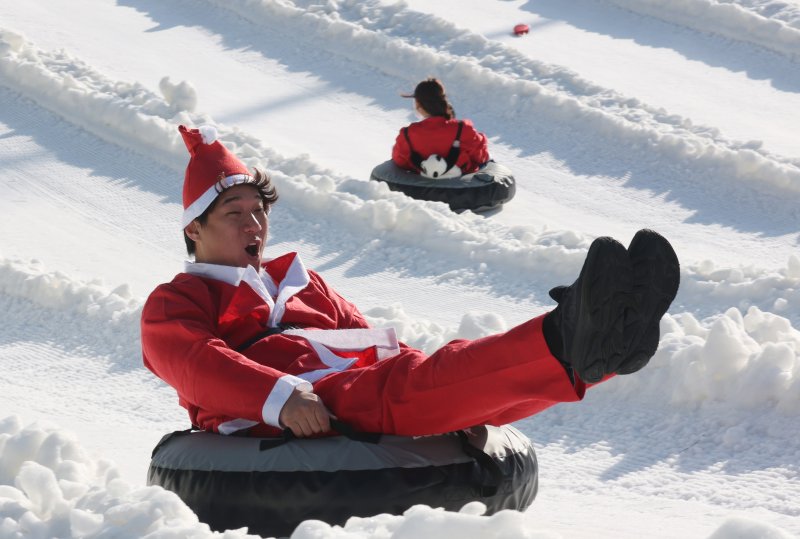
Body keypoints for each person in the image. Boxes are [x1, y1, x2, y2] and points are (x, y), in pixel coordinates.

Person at [141, 125, 680, 439]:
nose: (253, 222)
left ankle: (603, 344)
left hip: (352, 387)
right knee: (400, 390)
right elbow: (196, 363)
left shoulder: (299, 281)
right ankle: (567, 339)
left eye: (258, 209)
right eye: (233, 211)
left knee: (433, 370)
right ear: (195, 227)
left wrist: (456, 403)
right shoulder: (176, 301)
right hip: (299, 404)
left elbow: (375, 344)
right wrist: (281, 396)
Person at [391, 78, 490, 178]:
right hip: (462, 188)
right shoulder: (463, 129)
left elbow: (400, 162)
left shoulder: (407, 135)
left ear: (418, 104)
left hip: (421, 187)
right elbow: (482, 157)